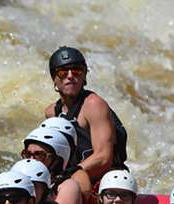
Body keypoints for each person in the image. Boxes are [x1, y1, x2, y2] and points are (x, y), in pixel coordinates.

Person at [44, 46, 128, 183]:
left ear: (84, 76)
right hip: (70, 179)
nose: (70, 76)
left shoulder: (94, 105)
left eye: (77, 71)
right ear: (54, 79)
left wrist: (67, 175)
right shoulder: (51, 113)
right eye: (63, 72)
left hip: (105, 182)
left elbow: (103, 158)